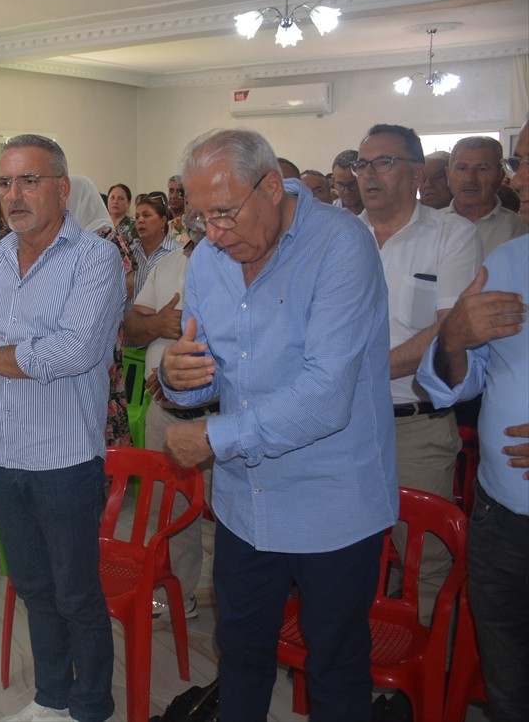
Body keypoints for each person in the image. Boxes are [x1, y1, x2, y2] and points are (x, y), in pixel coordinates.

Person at [161, 128, 397, 721]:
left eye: (223, 214)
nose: (213, 234)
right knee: (240, 655)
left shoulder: (341, 246)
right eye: (200, 219)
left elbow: (323, 399)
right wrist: (177, 375)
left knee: (336, 671)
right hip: (248, 504)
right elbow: (208, 368)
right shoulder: (210, 261)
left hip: (332, 505)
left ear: (271, 187)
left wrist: (212, 437)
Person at [0, 134, 123, 722]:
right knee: (34, 588)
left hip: (64, 459)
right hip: (6, 455)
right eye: (5, 183)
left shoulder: (94, 257)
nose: (13, 195)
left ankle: (91, 707)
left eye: (29, 181)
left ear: (61, 187)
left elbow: (75, 350)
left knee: (78, 595)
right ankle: (51, 698)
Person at [415, 122, 529, 722]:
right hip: (502, 516)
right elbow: (457, 381)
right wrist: (454, 339)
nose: (520, 179)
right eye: (521, 161)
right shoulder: (510, 261)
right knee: (510, 684)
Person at [355, 124, 481, 620]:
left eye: (383, 162)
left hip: (416, 424)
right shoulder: (341, 235)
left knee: (422, 558)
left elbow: (449, 328)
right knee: (349, 550)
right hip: (347, 422)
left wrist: (357, 372)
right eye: (363, 163)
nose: (369, 174)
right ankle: (356, 661)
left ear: (417, 172)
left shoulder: (452, 234)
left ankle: (417, 679)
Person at [124, 214, 211, 622]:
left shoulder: (237, 263)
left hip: (220, 414)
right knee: (169, 508)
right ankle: (179, 593)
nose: (198, 217)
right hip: (165, 409)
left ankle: (234, 600)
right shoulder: (170, 262)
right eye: (194, 208)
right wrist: (159, 323)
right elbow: (133, 325)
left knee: (231, 513)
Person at [69, 175, 134, 448]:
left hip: (99, 331)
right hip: (76, 334)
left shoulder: (106, 238)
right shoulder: (75, 236)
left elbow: (125, 286)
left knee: (100, 395)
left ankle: (107, 472)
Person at [444, 136, 528, 258]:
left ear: (500, 176)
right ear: (448, 175)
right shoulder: (426, 227)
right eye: (462, 168)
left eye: (482, 169)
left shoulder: (521, 230)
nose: (470, 178)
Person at [130, 191, 178, 305]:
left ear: (163, 220)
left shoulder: (179, 253)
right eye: (137, 217)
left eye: (146, 215)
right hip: (131, 321)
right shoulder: (129, 254)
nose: (140, 220)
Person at [331, 149, 363, 214]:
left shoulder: (382, 208)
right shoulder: (330, 213)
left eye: (353, 185)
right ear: (334, 181)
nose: (346, 192)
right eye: (340, 185)